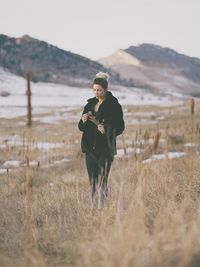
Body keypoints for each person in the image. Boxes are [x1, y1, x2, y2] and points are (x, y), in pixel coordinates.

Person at [78, 72, 125, 208]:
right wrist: (83, 121)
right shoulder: (89, 105)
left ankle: (102, 208)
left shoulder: (114, 105)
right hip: (89, 148)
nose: (96, 93)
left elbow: (120, 127)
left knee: (102, 180)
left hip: (105, 149)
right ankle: (94, 209)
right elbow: (81, 127)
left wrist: (107, 129)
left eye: (99, 90)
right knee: (92, 181)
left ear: (105, 89)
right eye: (94, 90)